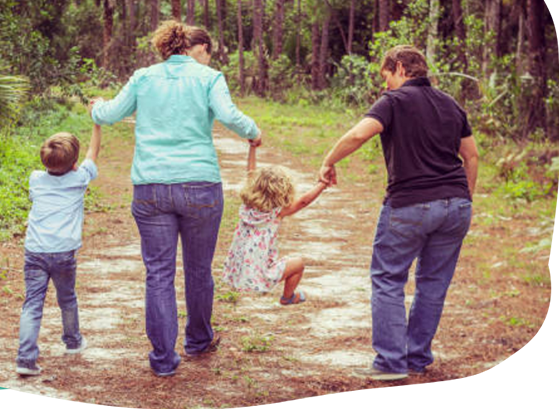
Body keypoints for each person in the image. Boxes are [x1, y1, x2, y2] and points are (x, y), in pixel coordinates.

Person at [90, 21, 261, 377]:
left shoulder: (143, 77)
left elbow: (109, 114)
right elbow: (230, 116)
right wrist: (254, 133)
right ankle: (198, 340)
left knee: (159, 273)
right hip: (200, 185)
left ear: (163, 47)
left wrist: (96, 108)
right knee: (199, 270)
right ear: (190, 47)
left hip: (151, 187)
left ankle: (164, 360)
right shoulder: (208, 77)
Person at [319, 45, 480, 381]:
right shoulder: (451, 103)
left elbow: (360, 133)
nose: (385, 85)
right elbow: (472, 155)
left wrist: (329, 161)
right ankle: (417, 358)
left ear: (400, 68)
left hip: (410, 204)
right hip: (456, 205)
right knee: (433, 283)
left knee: (388, 278)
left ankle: (391, 363)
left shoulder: (394, 102)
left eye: (387, 76)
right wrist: (464, 198)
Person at [15, 124, 102, 376]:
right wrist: (95, 124)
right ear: (74, 163)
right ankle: (73, 341)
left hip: (35, 251)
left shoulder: (35, 178)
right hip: (63, 253)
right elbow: (93, 153)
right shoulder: (80, 178)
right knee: (67, 299)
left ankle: (25, 359)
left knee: (32, 305)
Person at [223, 145, 327, 304]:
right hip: (261, 274)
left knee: (290, 263)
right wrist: (322, 184)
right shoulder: (275, 213)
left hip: (239, 270)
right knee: (298, 264)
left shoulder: (246, 207)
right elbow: (303, 201)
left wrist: (252, 148)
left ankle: (256, 288)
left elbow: (250, 173)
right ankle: (288, 297)